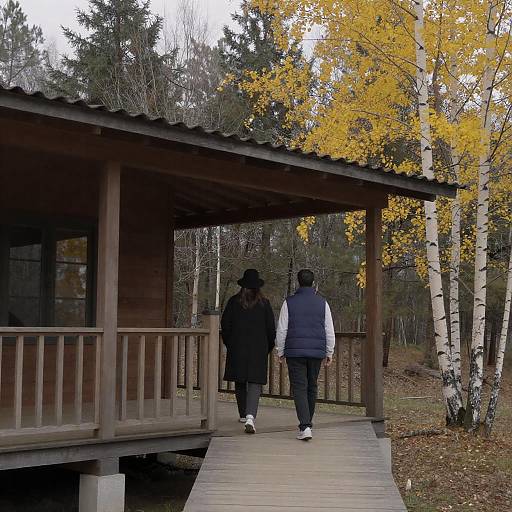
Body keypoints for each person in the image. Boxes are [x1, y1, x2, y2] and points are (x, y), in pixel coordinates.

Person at [275, 269, 335, 441]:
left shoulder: (289, 302)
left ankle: (305, 426)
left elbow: (282, 328)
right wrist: (329, 351)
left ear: (298, 282)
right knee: (312, 386)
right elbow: (329, 329)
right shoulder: (322, 303)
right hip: (316, 351)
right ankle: (307, 424)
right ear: (313, 283)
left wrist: (281, 350)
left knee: (300, 387)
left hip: (295, 351)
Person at [221, 269, 276, 434]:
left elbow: (225, 325)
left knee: (240, 380)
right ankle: (251, 415)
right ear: (258, 287)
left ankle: (243, 414)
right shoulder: (264, 304)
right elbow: (271, 329)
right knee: (254, 382)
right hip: (258, 349)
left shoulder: (233, 302)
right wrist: (268, 347)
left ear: (242, 286)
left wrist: (230, 343)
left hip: (237, 347)